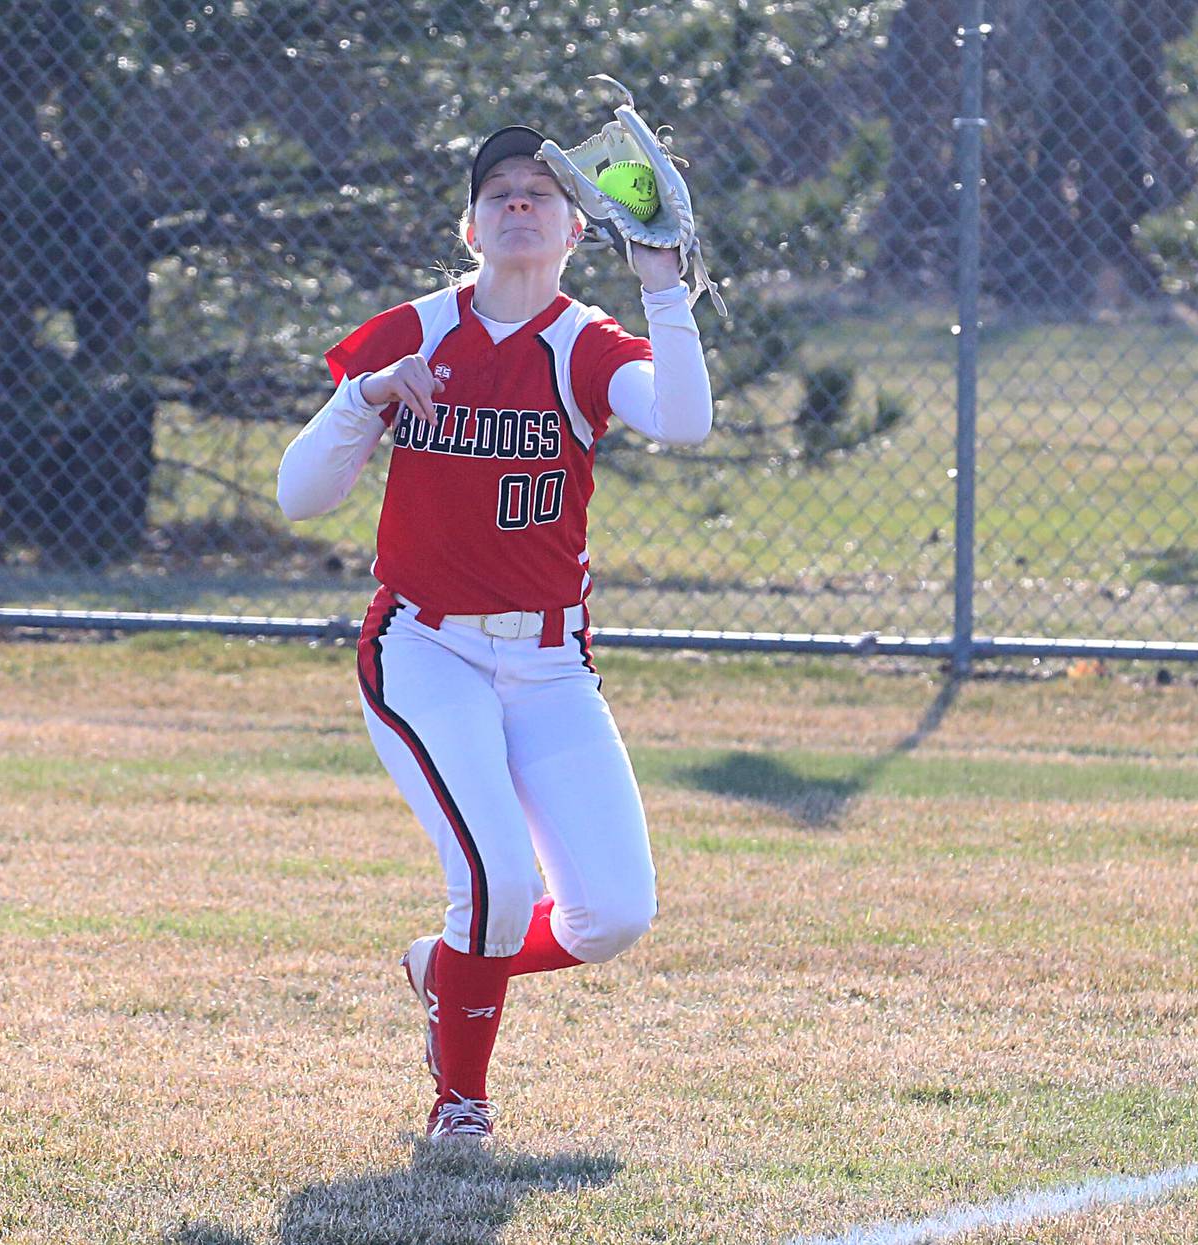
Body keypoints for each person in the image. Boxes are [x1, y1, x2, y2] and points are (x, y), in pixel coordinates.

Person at [277, 124, 713, 1145]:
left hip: (552, 664)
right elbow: (300, 496)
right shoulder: (415, 330)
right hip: (427, 648)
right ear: (470, 227)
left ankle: (449, 967)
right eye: (500, 190)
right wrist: (367, 397)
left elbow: (684, 419)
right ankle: (459, 1106)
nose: (520, 200)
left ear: (573, 230)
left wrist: (663, 285)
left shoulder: (585, 343)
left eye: (542, 191)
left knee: (611, 918)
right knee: (497, 881)